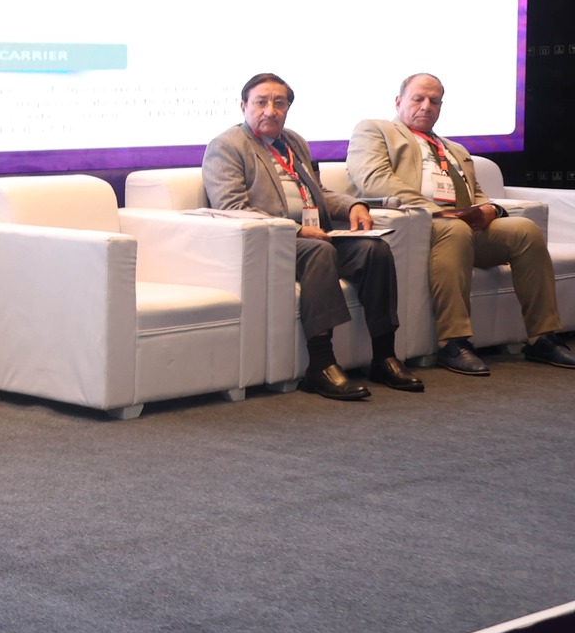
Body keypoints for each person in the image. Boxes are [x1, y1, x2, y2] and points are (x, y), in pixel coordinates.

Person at [202, 73, 421, 400]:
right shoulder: (227, 146)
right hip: (271, 241)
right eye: (261, 102)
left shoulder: (293, 142)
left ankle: (384, 355)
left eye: (279, 103)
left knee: (375, 249)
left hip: (314, 234)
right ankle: (320, 364)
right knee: (320, 252)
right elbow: (232, 209)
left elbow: (318, 192)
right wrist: (296, 230)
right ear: (244, 106)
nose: (270, 110)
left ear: (288, 108)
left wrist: (353, 206)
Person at [346, 73, 575, 375]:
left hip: (464, 225)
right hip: (418, 225)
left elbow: (474, 193)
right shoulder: (375, 130)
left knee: (525, 230)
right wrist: (439, 213)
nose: (426, 106)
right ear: (399, 101)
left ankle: (542, 337)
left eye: (434, 101)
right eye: (418, 99)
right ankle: (453, 342)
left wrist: (490, 209)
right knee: (455, 229)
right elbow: (375, 181)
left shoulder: (454, 148)